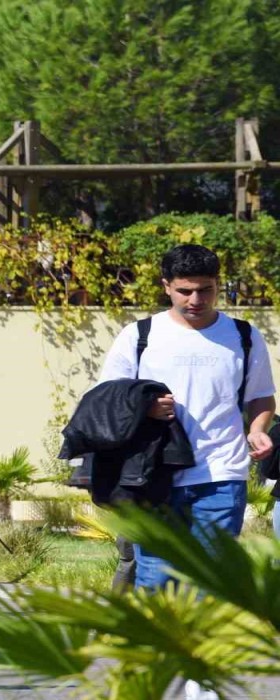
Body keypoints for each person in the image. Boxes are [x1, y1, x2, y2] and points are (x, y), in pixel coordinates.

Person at [97, 244, 275, 596]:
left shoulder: (243, 336)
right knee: (157, 576)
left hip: (221, 474)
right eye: (185, 290)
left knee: (211, 578)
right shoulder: (139, 336)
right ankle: (161, 648)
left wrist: (257, 430)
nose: (196, 299)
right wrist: (145, 409)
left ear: (217, 284)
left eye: (205, 289)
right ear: (166, 286)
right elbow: (108, 397)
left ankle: (200, 650)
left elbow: (261, 396)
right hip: (154, 474)